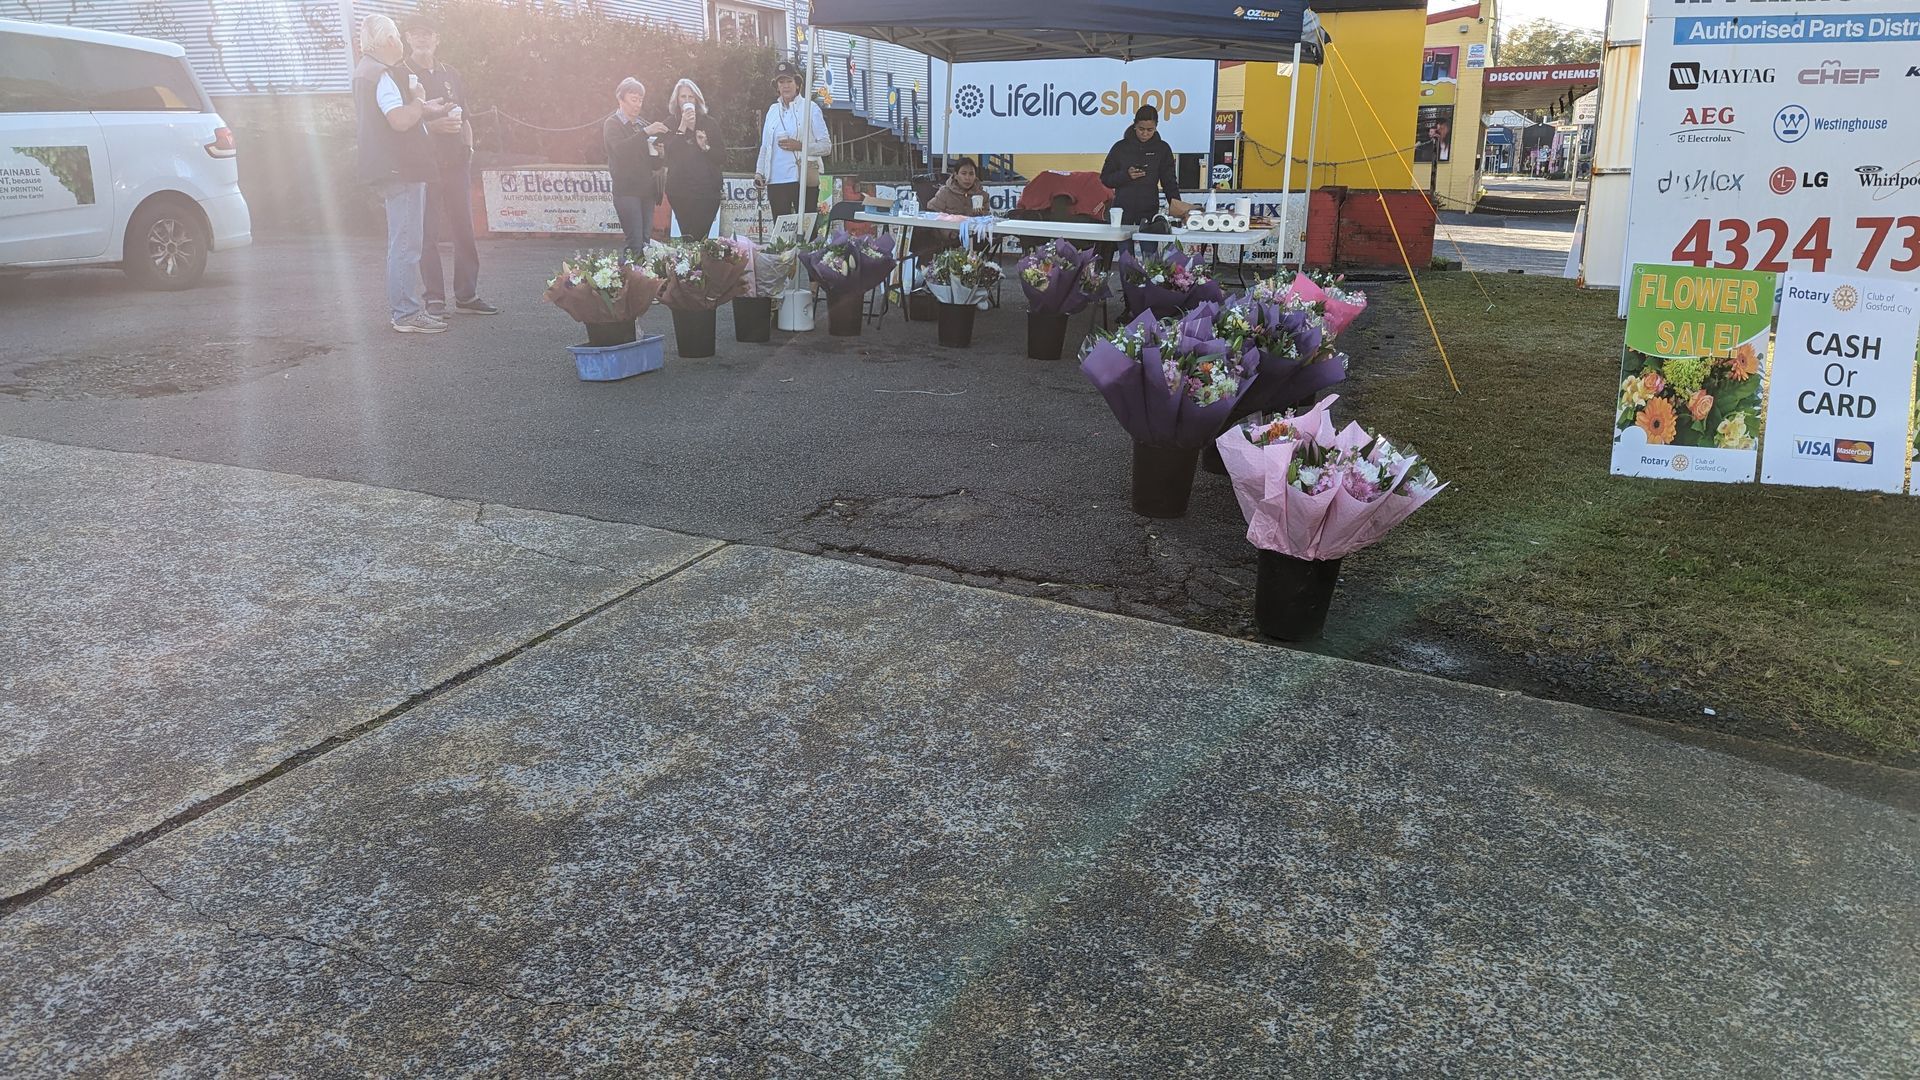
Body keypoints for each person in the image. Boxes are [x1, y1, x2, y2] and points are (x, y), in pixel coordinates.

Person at [354, 14, 450, 334]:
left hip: (392, 168)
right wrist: (420, 101)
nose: (399, 43)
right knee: (407, 243)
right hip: (401, 169)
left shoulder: (367, 71)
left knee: (403, 241)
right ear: (389, 41)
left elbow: (391, 118)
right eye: (396, 37)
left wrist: (423, 106)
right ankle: (406, 313)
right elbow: (398, 120)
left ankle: (405, 310)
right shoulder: (382, 73)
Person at [402, 15, 497, 317]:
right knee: (428, 233)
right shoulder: (401, 75)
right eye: (416, 34)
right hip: (423, 165)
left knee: (464, 230)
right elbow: (399, 122)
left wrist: (469, 149)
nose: (422, 39)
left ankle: (467, 295)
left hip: (457, 162)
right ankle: (434, 298)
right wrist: (433, 127)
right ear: (407, 38)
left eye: (428, 33)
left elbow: (465, 117)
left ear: (437, 39)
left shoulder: (451, 74)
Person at [754, 61, 831, 220]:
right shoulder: (772, 110)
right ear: (777, 86)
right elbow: (765, 147)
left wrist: (800, 146)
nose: (785, 86)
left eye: (789, 81)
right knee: (781, 230)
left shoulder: (811, 108)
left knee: (807, 228)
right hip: (776, 179)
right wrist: (759, 172)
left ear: (797, 84)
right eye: (781, 82)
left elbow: (826, 146)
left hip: (802, 178)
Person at [603, 77, 669, 253]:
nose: (637, 105)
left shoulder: (641, 124)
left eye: (640, 100)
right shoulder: (612, 124)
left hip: (646, 190)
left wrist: (660, 154)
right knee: (635, 243)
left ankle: (642, 278)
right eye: (633, 99)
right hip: (626, 191)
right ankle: (629, 279)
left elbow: (653, 164)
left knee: (645, 243)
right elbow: (621, 150)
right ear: (621, 99)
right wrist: (646, 133)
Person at [1099, 104, 1193, 226]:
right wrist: (1126, 175)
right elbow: (1105, 178)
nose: (1145, 134)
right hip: (1122, 211)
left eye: (1150, 130)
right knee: (1123, 245)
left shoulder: (1162, 149)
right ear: (1134, 125)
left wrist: (1178, 207)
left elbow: (1169, 182)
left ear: (1156, 127)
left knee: (1148, 244)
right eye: (1141, 129)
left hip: (1149, 210)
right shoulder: (1120, 148)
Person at [661, 78, 722, 238]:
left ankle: (699, 263)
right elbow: (669, 153)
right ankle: (690, 263)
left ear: (697, 100)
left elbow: (722, 157)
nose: (687, 100)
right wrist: (682, 127)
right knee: (688, 238)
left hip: (707, 192)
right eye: (683, 97)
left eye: (691, 97)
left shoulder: (710, 123)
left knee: (700, 239)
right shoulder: (670, 123)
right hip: (680, 191)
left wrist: (705, 147)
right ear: (677, 100)